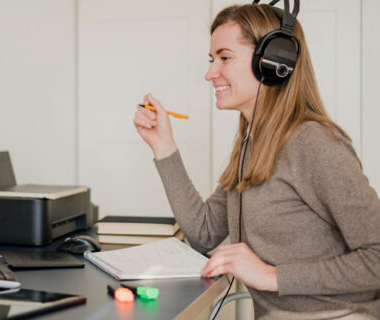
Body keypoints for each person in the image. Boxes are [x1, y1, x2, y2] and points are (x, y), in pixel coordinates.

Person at [133, 3, 380, 320]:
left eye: (224, 58)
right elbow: (205, 233)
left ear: (273, 61)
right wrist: (163, 146)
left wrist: (271, 275)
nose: (210, 73)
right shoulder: (253, 143)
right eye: (212, 60)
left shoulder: (313, 143)